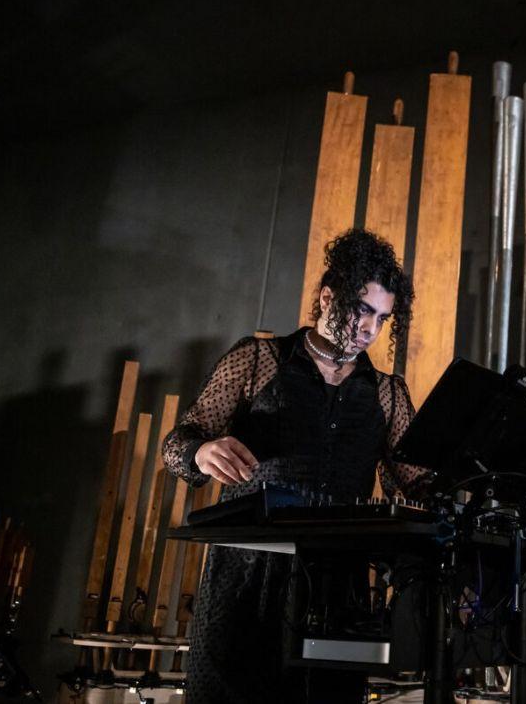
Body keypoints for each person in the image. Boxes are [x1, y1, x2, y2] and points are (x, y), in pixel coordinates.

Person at [162, 228, 426, 703]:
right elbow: (178, 441)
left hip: (337, 589)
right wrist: (201, 452)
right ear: (329, 297)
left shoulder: (387, 393)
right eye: (363, 309)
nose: (370, 328)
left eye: (383, 318)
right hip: (247, 576)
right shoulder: (259, 359)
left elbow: (417, 483)